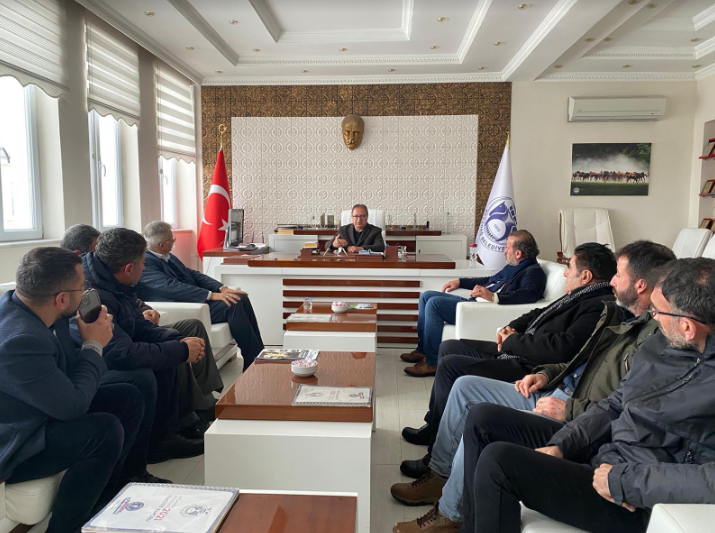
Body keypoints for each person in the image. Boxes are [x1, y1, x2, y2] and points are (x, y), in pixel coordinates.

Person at [390, 240, 676, 532]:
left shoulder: (637, 328)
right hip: (555, 387)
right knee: (464, 386)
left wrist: (570, 410)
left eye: (619, 274)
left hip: (572, 410)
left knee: (479, 415)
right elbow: (580, 360)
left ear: (641, 285)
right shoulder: (628, 321)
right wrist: (546, 373)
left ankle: (450, 512)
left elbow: (625, 407)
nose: (613, 280)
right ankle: (440, 477)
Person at [467, 257, 715, 533]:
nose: (652, 319)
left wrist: (625, 481)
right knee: (485, 419)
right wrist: (563, 444)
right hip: (606, 457)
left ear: (687, 327)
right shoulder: (661, 345)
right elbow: (616, 403)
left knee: (499, 462)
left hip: (637, 500)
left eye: (658, 312)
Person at [401, 243, 617, 479]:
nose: (565, 272)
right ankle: (435, 424)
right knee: (450, 346)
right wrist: (511, 327)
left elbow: (560, 350)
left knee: (452, 366)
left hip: (527, 365)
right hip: (517, 350)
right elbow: (536, 313)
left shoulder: (596, 307)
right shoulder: (576, 296)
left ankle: (436, 454)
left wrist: (513, 340)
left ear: (585, 276)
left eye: (570, 267)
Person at [0, 248, 147, 533]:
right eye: (83, 286)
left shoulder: (42, 311)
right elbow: (73, 407)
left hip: (40, 409)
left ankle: (105, 505)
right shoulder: (21, 340)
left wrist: (90, 334)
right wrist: (94, 345)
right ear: (62, 298)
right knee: (103, 430)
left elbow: (66, 376)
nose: (87, 292)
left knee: (128, 397)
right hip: (15, 440)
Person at [81, 228, 205, 463]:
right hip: (95, 366)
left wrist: (176, 341)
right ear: (129, 268)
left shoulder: (112, 281)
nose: (145, 268)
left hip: (116, 353)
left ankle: (169, 434)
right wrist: (179, 349)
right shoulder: (93, 294)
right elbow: (119, 354)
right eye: (142, 264)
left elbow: (139, 326)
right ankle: (157, 444)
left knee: (169, 347)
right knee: (150, 369)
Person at [402, 230, 547, 377]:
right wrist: (460, 282)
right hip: (473, 303)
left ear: (518, 253)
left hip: (480, 311)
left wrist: (495, 297)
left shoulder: (534, 272)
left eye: (507, 248)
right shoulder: (513, 266)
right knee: (426, 296)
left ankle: (432, 363)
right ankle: (423, 351)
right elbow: (489, 280)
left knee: (434, 304)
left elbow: (528, 294)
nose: (504, 251)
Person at [136, 221, 264, 368]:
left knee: (240, 297)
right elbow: (172, 287)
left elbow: (192, 274)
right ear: (162, 245)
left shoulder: (166, 255)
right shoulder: (146, 263)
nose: (174, 242)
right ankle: (252, 361)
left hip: (194, 300)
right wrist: (210, 295)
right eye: (173, 240)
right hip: (182, 305)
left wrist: (221, 288)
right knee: (232, 304)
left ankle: (259, 354)